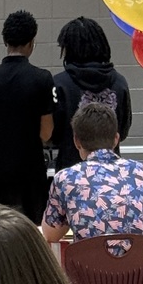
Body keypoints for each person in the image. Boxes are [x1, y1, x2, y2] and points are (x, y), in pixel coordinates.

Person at [0, 10, 56, 224]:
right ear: (31, 43)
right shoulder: (43, 79)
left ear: (4, 40)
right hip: (31, 177)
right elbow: (46, 133)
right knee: (31, 236)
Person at [42, 101, 143, 244]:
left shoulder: (66, 178)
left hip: (89, 265)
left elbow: (50, 235)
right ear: (116, 139)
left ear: (77, 141)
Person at [52, 15, 132, 174]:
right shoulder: (119, 82)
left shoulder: (59, 84)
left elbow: (53, 134)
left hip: (71, 172)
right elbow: (123, 130)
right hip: (112, 174)